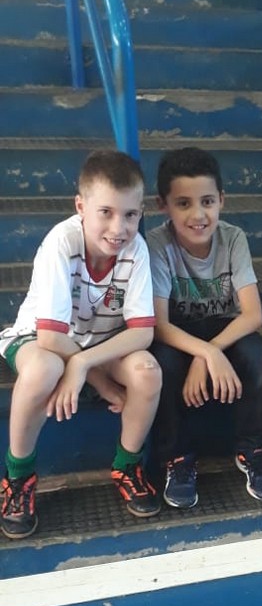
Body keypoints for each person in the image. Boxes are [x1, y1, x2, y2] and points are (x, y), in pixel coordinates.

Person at [0, 149, 162, 539]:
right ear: (80, 207)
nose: (119, 228)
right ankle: (18, 478)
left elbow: (142, 333)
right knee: (45, 369)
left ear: (141, 212)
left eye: (130, 215)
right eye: (106, 212)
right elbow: (50, 338)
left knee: (147, 371)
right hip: (38, 340)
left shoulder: (136, 249)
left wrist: (84, 364)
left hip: (98, 345)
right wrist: (100, 380)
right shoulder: (62, 242)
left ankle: (127, 465)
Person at [147, 146, 262, 508]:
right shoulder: (157, 244)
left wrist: (212, 351)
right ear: (163, 205)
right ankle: (177, 457)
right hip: (178, 332)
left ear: (221, 199)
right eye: (183, 203)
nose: (198, 215)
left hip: (224, 327)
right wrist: (204, 353)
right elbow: (158, 325)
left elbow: (253, 315)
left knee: (256, 356)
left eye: (207, 201)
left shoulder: (233, 238)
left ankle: (252, 450)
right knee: (163, 365)